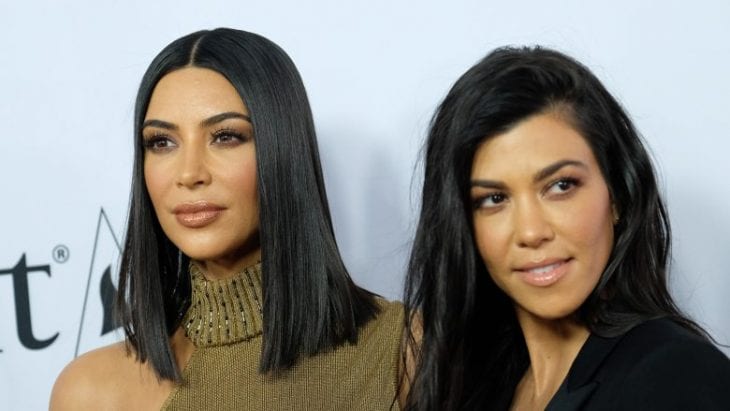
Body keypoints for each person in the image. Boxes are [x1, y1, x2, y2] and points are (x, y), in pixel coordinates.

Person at [50, 28, 403, 410]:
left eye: (225, 136)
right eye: (162, 142)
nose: (189, 173)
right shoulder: (90, 392)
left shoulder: (404, 349)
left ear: (283, 149)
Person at [401, 46, 730, 410]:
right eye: (494, 199)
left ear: (617, 195)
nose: (531, 232)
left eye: (561, 186)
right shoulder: (471, 385)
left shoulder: (679, 377)